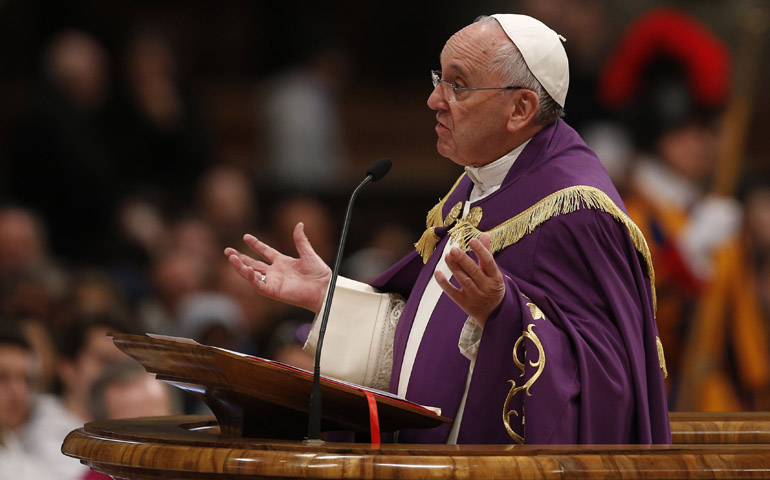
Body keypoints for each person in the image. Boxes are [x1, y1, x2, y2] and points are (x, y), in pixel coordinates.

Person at [225, 14, 670, 444]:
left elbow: (608, 383)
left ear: (520, 108)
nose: (434, 100)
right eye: (438, 78)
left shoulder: (577, 210)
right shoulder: (477, 184)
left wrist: (504, 315)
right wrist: (329, 295)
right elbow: (426, 343)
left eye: (457, 85)